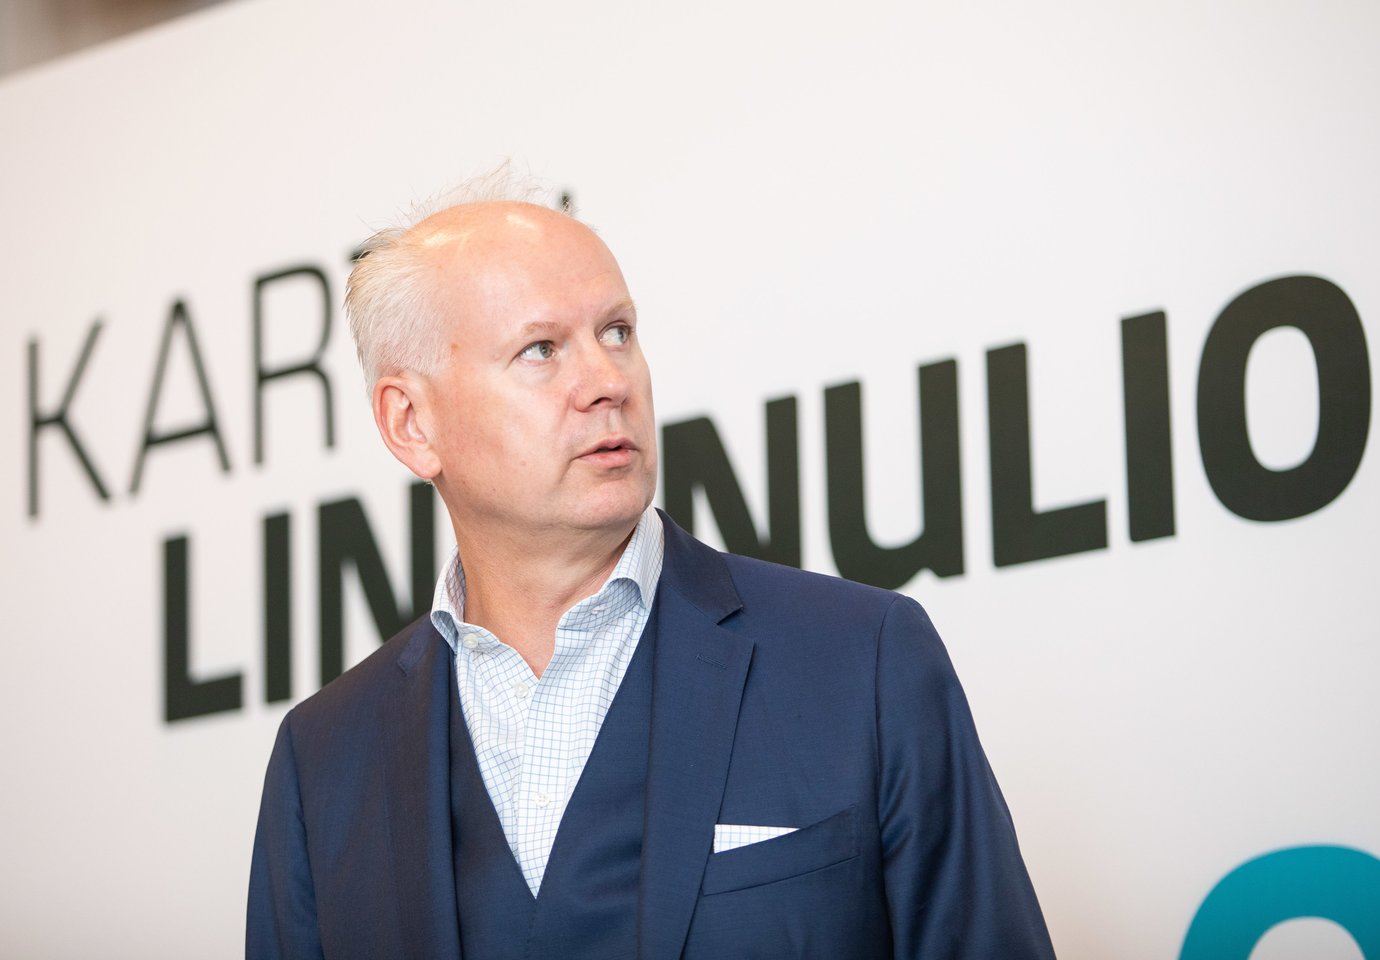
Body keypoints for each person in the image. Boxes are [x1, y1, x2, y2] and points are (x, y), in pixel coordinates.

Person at [246, 175, 1056, 959]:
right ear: (411, 423)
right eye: (540, 349)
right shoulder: (322, 763)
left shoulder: (862, 660)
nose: (607, 382)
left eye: (618, 333)